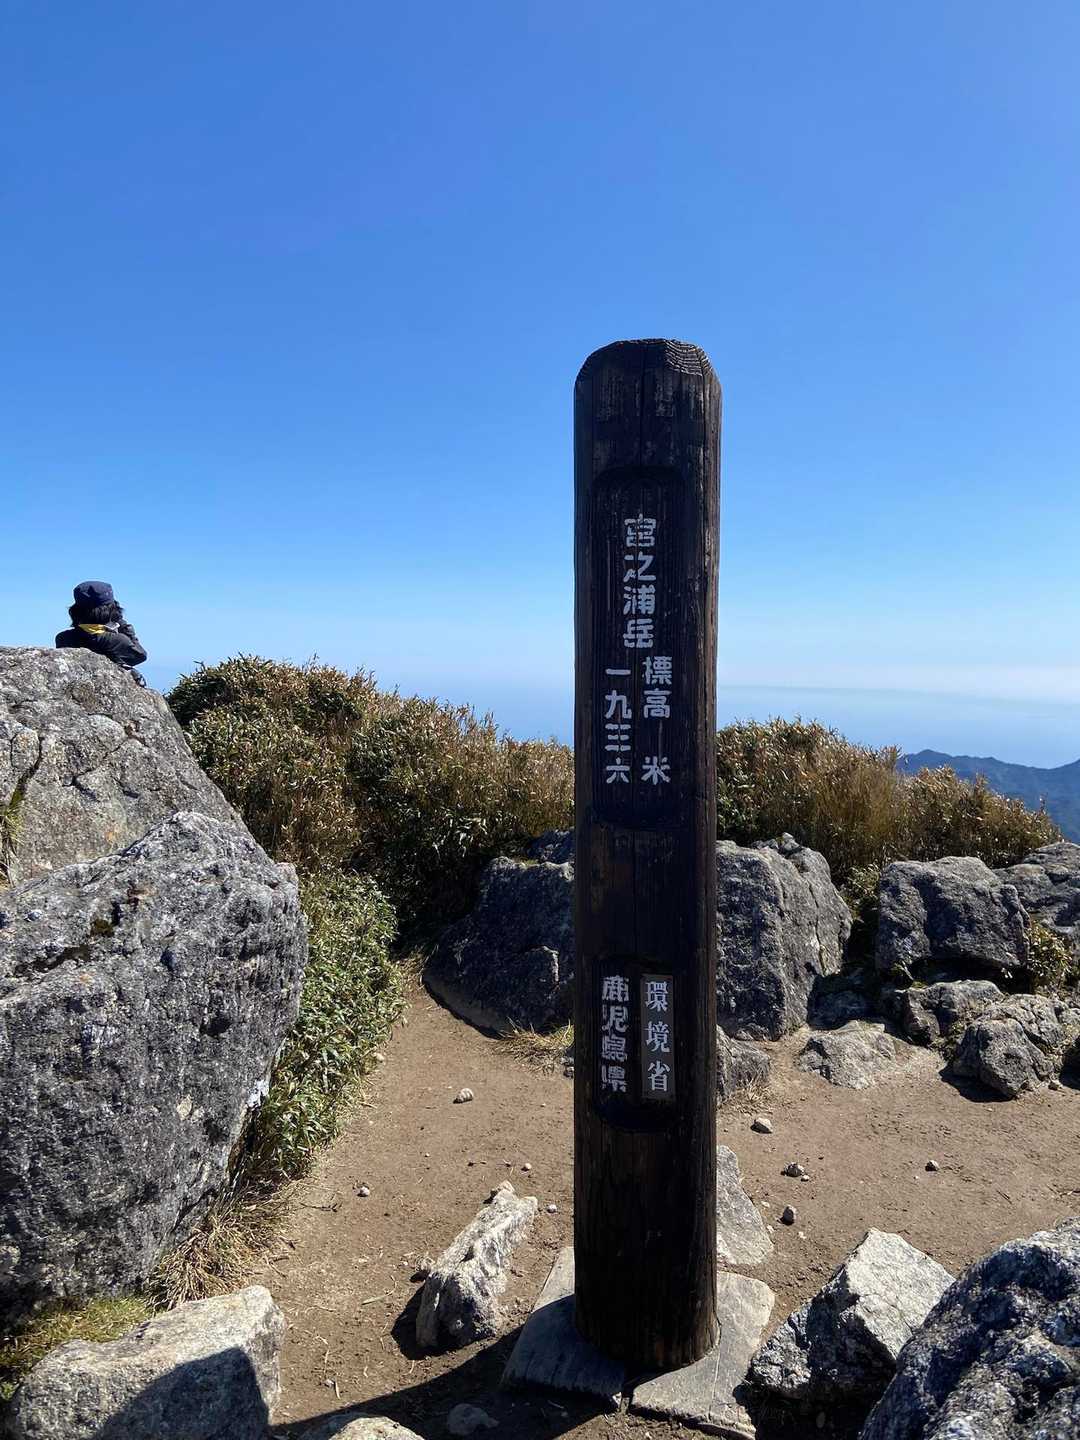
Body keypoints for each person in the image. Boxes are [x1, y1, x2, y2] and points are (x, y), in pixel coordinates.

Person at [55, 580, 148, 678]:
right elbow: (140, 655)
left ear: (76, 611)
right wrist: (124, 625)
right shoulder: (116, 640)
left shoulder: (63, 638)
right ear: (110, 610)